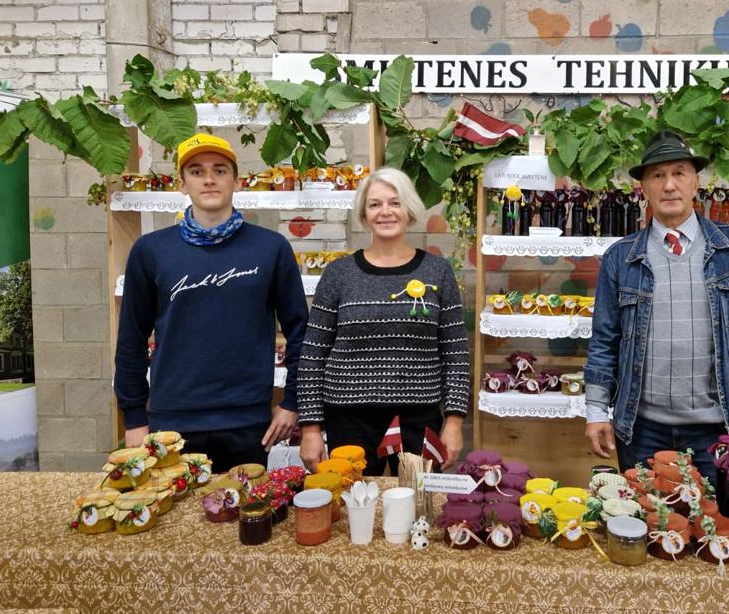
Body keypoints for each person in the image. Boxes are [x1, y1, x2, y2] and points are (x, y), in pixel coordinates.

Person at [583, 131, 729, 481]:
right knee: (645, 514)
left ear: (696, 183)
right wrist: (596, 411)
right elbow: (605, 340)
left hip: (719, 429)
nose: (669, 185)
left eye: (679, 173)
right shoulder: (620, 258)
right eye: (657, 175)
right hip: (641, 429)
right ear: (643, 188)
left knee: (720, 516)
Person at [114, 133, 308, 472]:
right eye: (196, 171)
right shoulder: (151, 251)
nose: (209, 179)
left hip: (247, 421)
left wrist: (292, 401)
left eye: (220, 170)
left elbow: (300, 331)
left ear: (237, 181)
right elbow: (131, 337)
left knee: (245, 506)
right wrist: (134, 418)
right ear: (182, 184)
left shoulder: (271, 248)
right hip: (172, 422)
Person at [297, 167, 469, 474]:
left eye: (395, 202)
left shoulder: (438, 271)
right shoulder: (339, 274)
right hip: (348, 417)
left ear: (409, 209)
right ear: (364, 213)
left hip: (419, 415)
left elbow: (455, 354)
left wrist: (454, 421)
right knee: (350, 498)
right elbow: (312, 355)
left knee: (419, 499)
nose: (385, 211)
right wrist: (310, 427)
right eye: (375, 204)